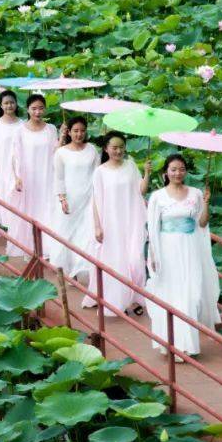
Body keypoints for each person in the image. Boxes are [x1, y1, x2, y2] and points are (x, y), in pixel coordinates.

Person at [145, 153, 221, 361]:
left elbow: (203, 224)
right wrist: (153, 254)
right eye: (173, 169)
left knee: (192, 296)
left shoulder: (196, 193)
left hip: (190, 248)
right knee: (171, 295)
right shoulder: (158, 197)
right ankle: (172, 345)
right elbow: (153, 228)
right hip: (167, 249)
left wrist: (206, 203)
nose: (178, 173)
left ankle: (188, 344)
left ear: (186, 172)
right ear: (166, 173)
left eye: (181, 169)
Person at [87, 132, 150, 317]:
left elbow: (141, 190)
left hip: (131, 220)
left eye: (121, 147)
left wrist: (146, 173)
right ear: (106, 149)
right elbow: (96, 201)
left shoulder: (130, 166)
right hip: (111, 222)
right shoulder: (100, 171)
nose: (118, 151)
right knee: (115, 261)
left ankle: (134, 298)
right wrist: (97, 226)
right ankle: (117, 300)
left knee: (135, 259)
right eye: (114, 148)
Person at [7, 93, 57, 257]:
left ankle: (49, 249)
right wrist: (17, 177)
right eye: (34, 108)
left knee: (47, 209)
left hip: (47, 176)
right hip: (28, 178)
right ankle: (30, 247)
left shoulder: (51, 130)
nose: (37, 112)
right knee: (29, 210)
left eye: (41, 108)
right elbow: (14, 156)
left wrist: (63, 138)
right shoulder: (19, 131)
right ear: (27, 109)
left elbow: (56, 153)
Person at [50, 116, 98, 284]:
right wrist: (62, 198)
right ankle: (67, 268)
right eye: (75, 131)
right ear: (69, 132)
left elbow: (97, 173)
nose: (79, 134)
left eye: (82, 131)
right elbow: (59, 178)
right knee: (67, 233)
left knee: (85, 234)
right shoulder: (61, 152)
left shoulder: (92, 149)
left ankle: (81, 268)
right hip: (69, 198)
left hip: (88, 197)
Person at [0, 90, 24, 235]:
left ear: (16, 104)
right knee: (0, 197)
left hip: (17, 168)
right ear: (1, 106)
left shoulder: (23, 125)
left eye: (12, 102)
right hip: (0, 166)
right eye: (6, 103)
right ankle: (0, 228)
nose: (9, 106)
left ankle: (15, 231)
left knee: (16, 197)